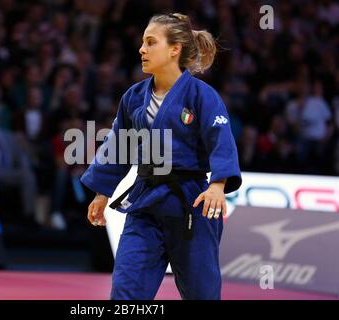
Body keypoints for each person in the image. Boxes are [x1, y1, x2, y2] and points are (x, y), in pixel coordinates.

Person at [80, 13, 242, 300]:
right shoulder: (133, 97)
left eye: (150, 42)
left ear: (174, 49)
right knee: (125, 292)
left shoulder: (202, 96)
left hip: (191, 204)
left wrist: (218, 185)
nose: (142, 49)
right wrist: (101, 193)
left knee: (201, 294)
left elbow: (221, 140)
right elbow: (119, 146)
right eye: (143, 42)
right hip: (146, 203)